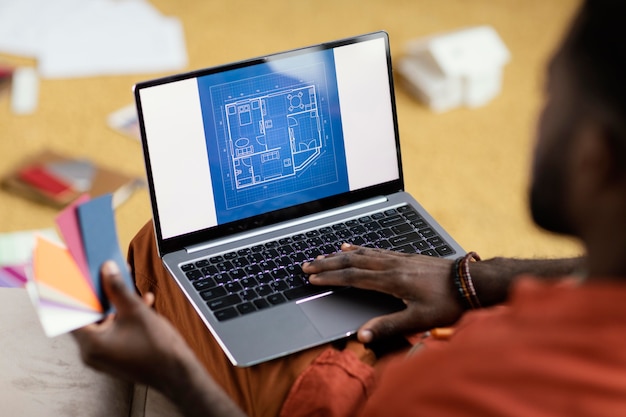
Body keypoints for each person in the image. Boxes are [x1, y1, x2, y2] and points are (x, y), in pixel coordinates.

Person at [72, 1, 626, 415]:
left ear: (595, 157)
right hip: (466, 313)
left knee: (161, 244)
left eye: (551, 93)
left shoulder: (444, 394)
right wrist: (473, 280)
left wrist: (173, 373)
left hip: (361, 385)